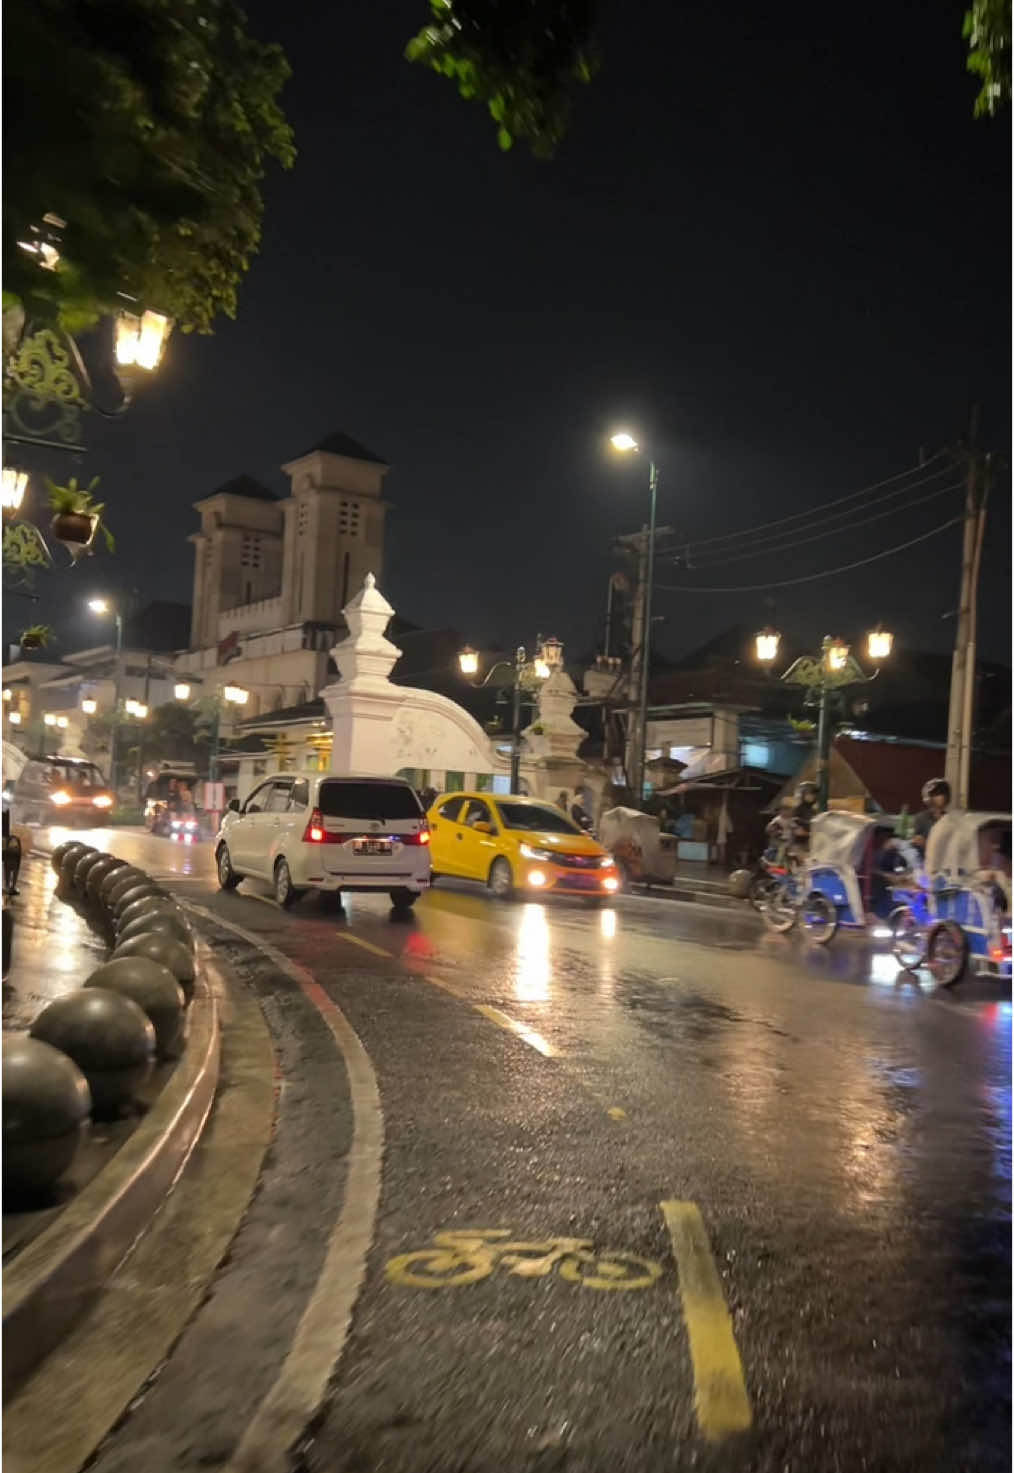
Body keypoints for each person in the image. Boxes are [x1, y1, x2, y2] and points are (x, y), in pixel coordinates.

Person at [911, 778, 950, 854]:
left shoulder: (950, 820)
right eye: (937, 794)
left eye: (943, 793)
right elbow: (912, 842)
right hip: (923, 857)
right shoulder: (921, 818)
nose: (942, 797)